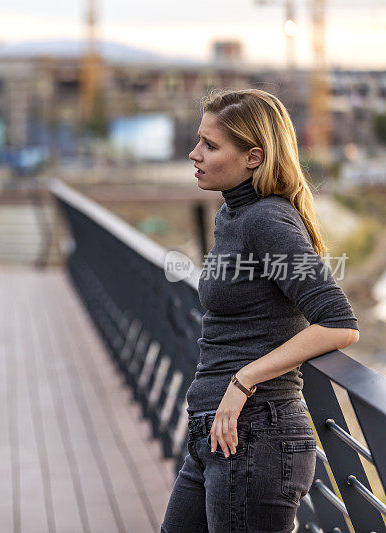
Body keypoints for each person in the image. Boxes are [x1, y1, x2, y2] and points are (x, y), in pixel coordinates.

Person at [161, 89, 359, 533]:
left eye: (210, 146)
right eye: (199, 142)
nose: (195, 154)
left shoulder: (266, 220)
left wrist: (244, 380)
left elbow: (339, 324)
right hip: (218, 433)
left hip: (256, 435)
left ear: (254, 156)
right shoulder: (232, 215)